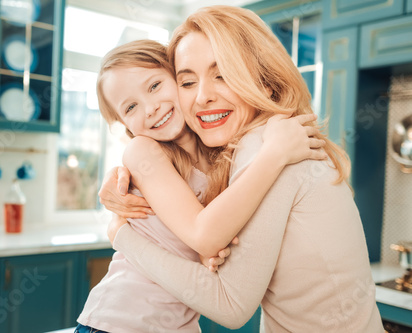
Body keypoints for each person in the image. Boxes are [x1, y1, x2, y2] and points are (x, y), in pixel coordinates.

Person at [102, 6, 384, 333]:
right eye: (188, 81)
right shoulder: (256, 145)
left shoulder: (268, 147)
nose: (203, 97)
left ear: (265, 81)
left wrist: (121, 236)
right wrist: (128, 175)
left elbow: (230, 304)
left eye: (222, 73)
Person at [75, 39, 325, 333]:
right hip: (118, 323)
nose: (151, 108)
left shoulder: (218, 154)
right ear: (126, 125)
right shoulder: (142, 151)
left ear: (180, 80)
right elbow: (202, 234)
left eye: (155, 86)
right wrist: (275, 154)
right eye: (131, 107)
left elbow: (209, 239)